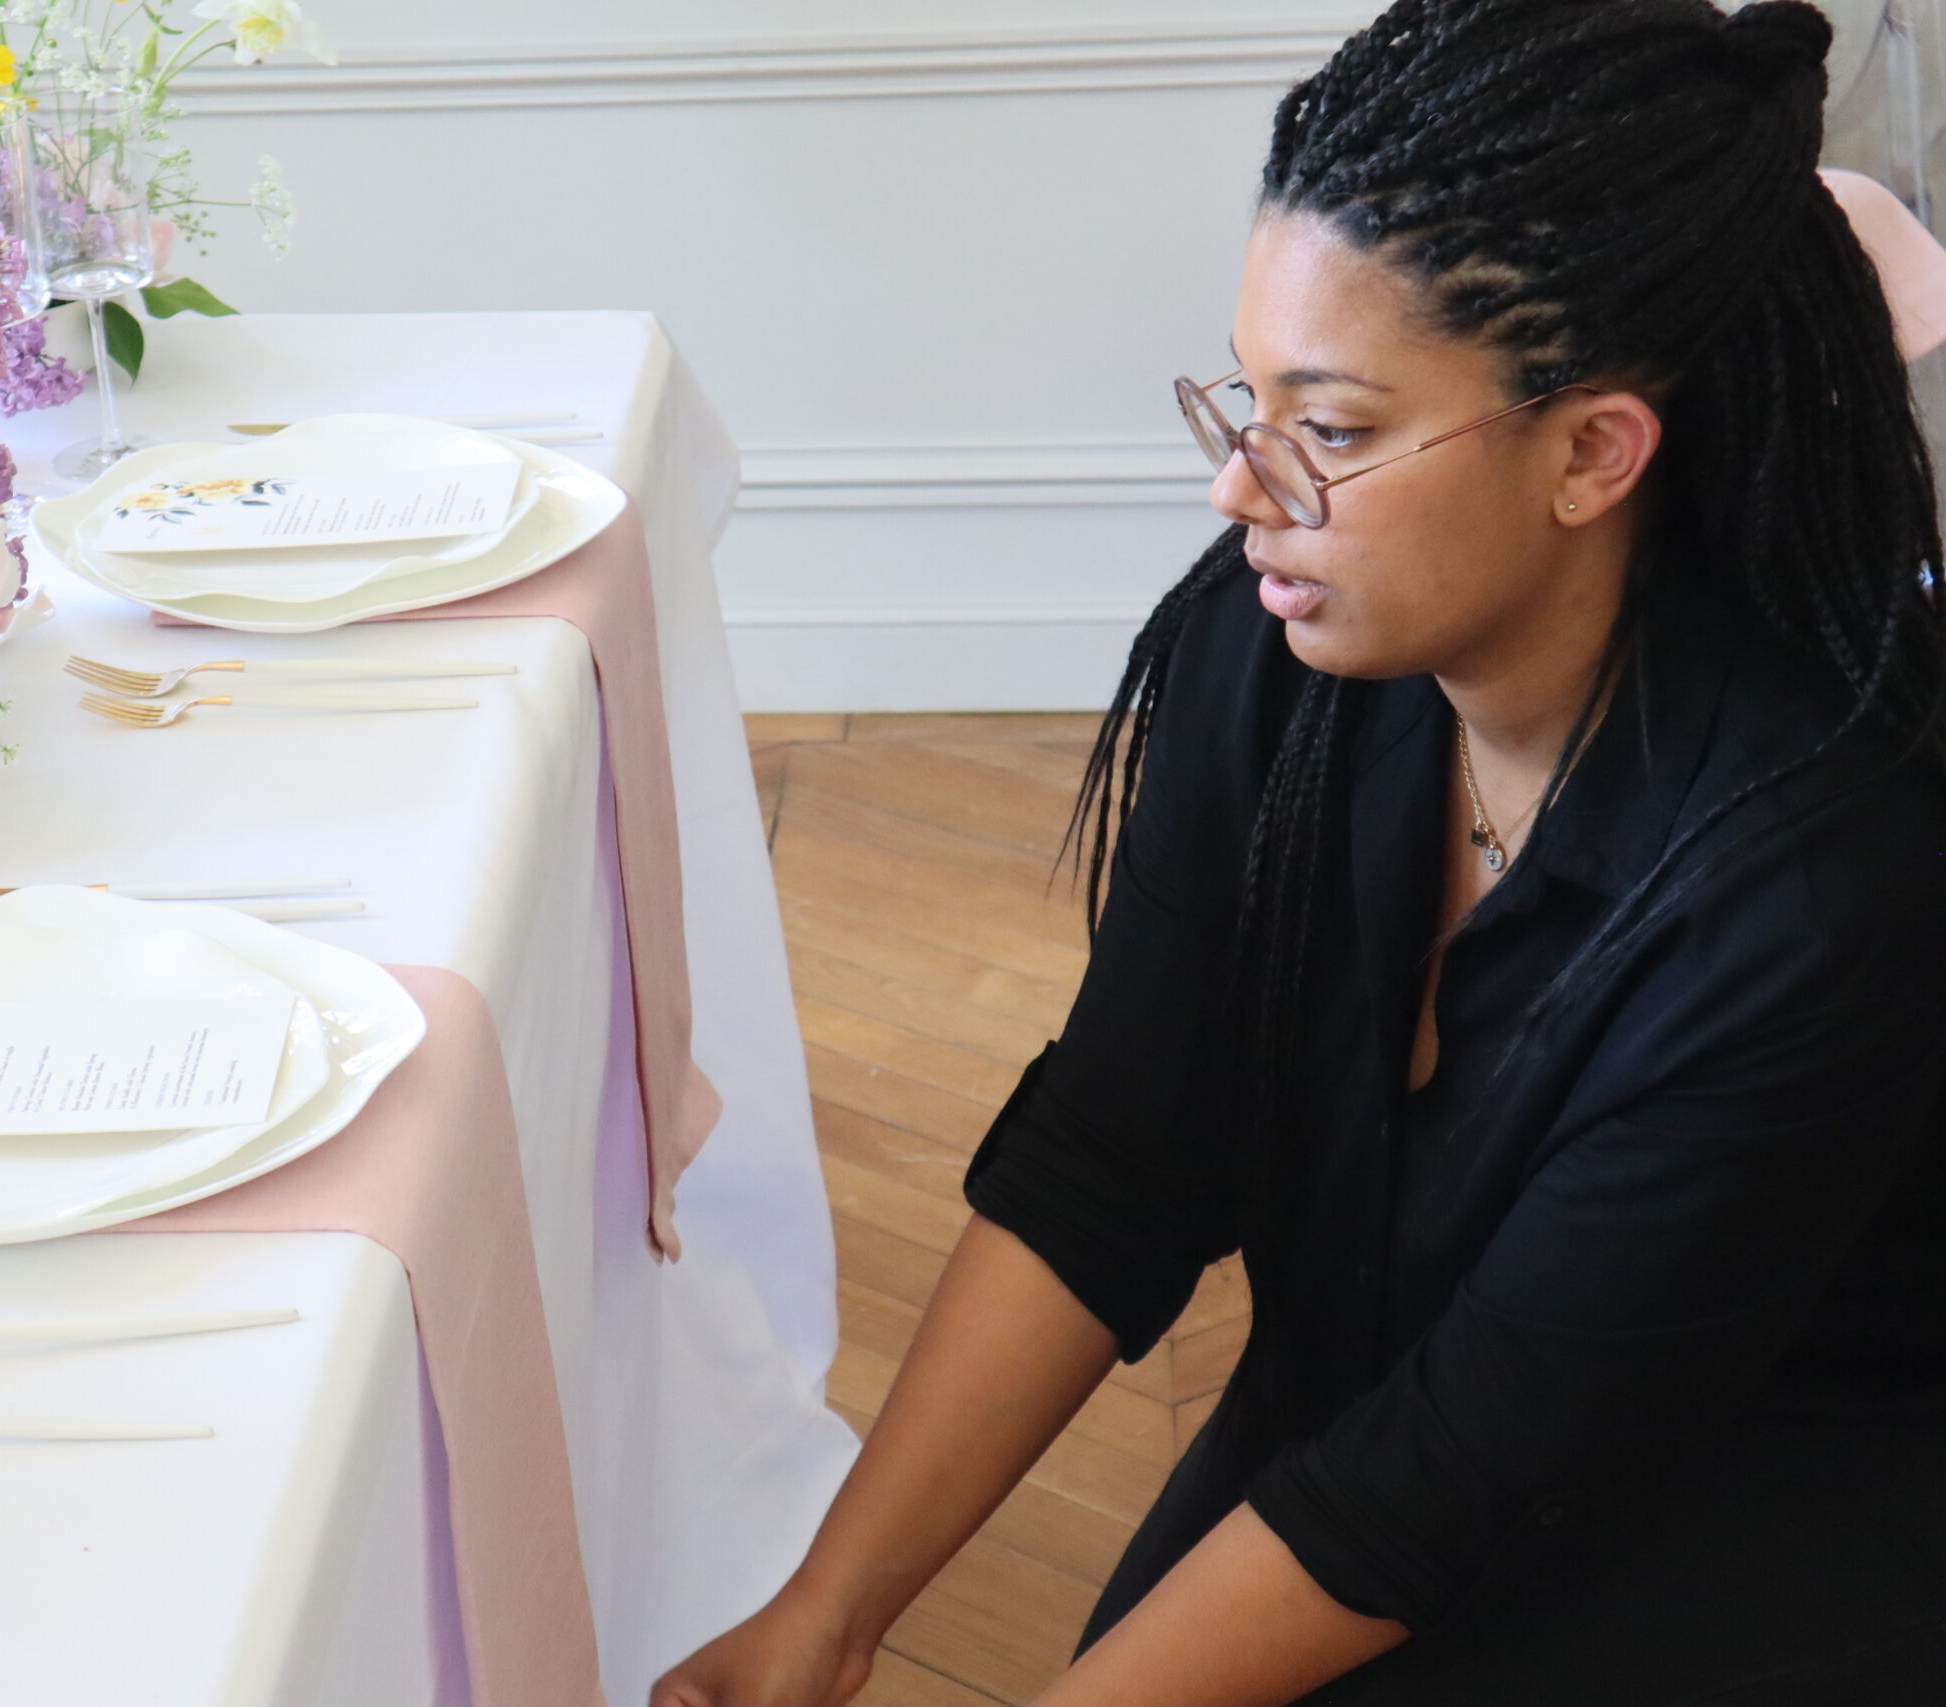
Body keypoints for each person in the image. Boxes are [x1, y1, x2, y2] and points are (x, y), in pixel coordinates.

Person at [652, 1, 1946, 1702]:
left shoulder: (1809, 885)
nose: (1243, 493)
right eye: (1248, 399)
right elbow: (1121, 1148)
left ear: (1593, 452)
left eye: (1330, 430)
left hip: (1765, 1501)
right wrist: (826, 1608)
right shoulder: (1282, 653)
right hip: (1394, 1413)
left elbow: (1459, 1478)